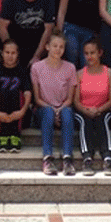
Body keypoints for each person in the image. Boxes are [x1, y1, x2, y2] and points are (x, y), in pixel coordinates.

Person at [31, 31, 77, 175]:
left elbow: (70, 99)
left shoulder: (70, 68)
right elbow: (37, 99)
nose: (58, 49)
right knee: (48, 113)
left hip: (63, 108)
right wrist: (53, 110)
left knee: (68, 112)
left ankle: (67, 159)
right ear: (47, 47)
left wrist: (59, 109)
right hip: (44, 109)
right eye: (55, 46)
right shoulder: (37, 67)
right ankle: (47, 159)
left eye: (61, 46)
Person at [73, 38, 111, 175]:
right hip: (84, 110)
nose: (89, 56)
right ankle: (87, 158)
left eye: (92, 53)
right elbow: (76, 101)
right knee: (83, 121)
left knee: (103, 120)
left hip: (103, 109)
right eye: (86, 53)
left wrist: (98, 110)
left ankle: (108, 157)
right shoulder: (79, 74)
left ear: (100, 53)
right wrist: (86, 110)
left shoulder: (108, 73)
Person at [0, 0, 56, 68]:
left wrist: (37, 56)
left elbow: (48, 29)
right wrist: (11, 52)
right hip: (16, 43)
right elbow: (2, 26)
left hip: (39, 44)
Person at [0, 38, 32, 152]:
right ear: (2, 53)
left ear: (18, 54)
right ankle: (3, 135)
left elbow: (28, 93)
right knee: (2, 92)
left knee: (15, 92)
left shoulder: (23, 71)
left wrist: (22, 111)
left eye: (13, 53)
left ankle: (15, 136)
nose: (10, 56)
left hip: (20, 114)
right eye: (7, 52)